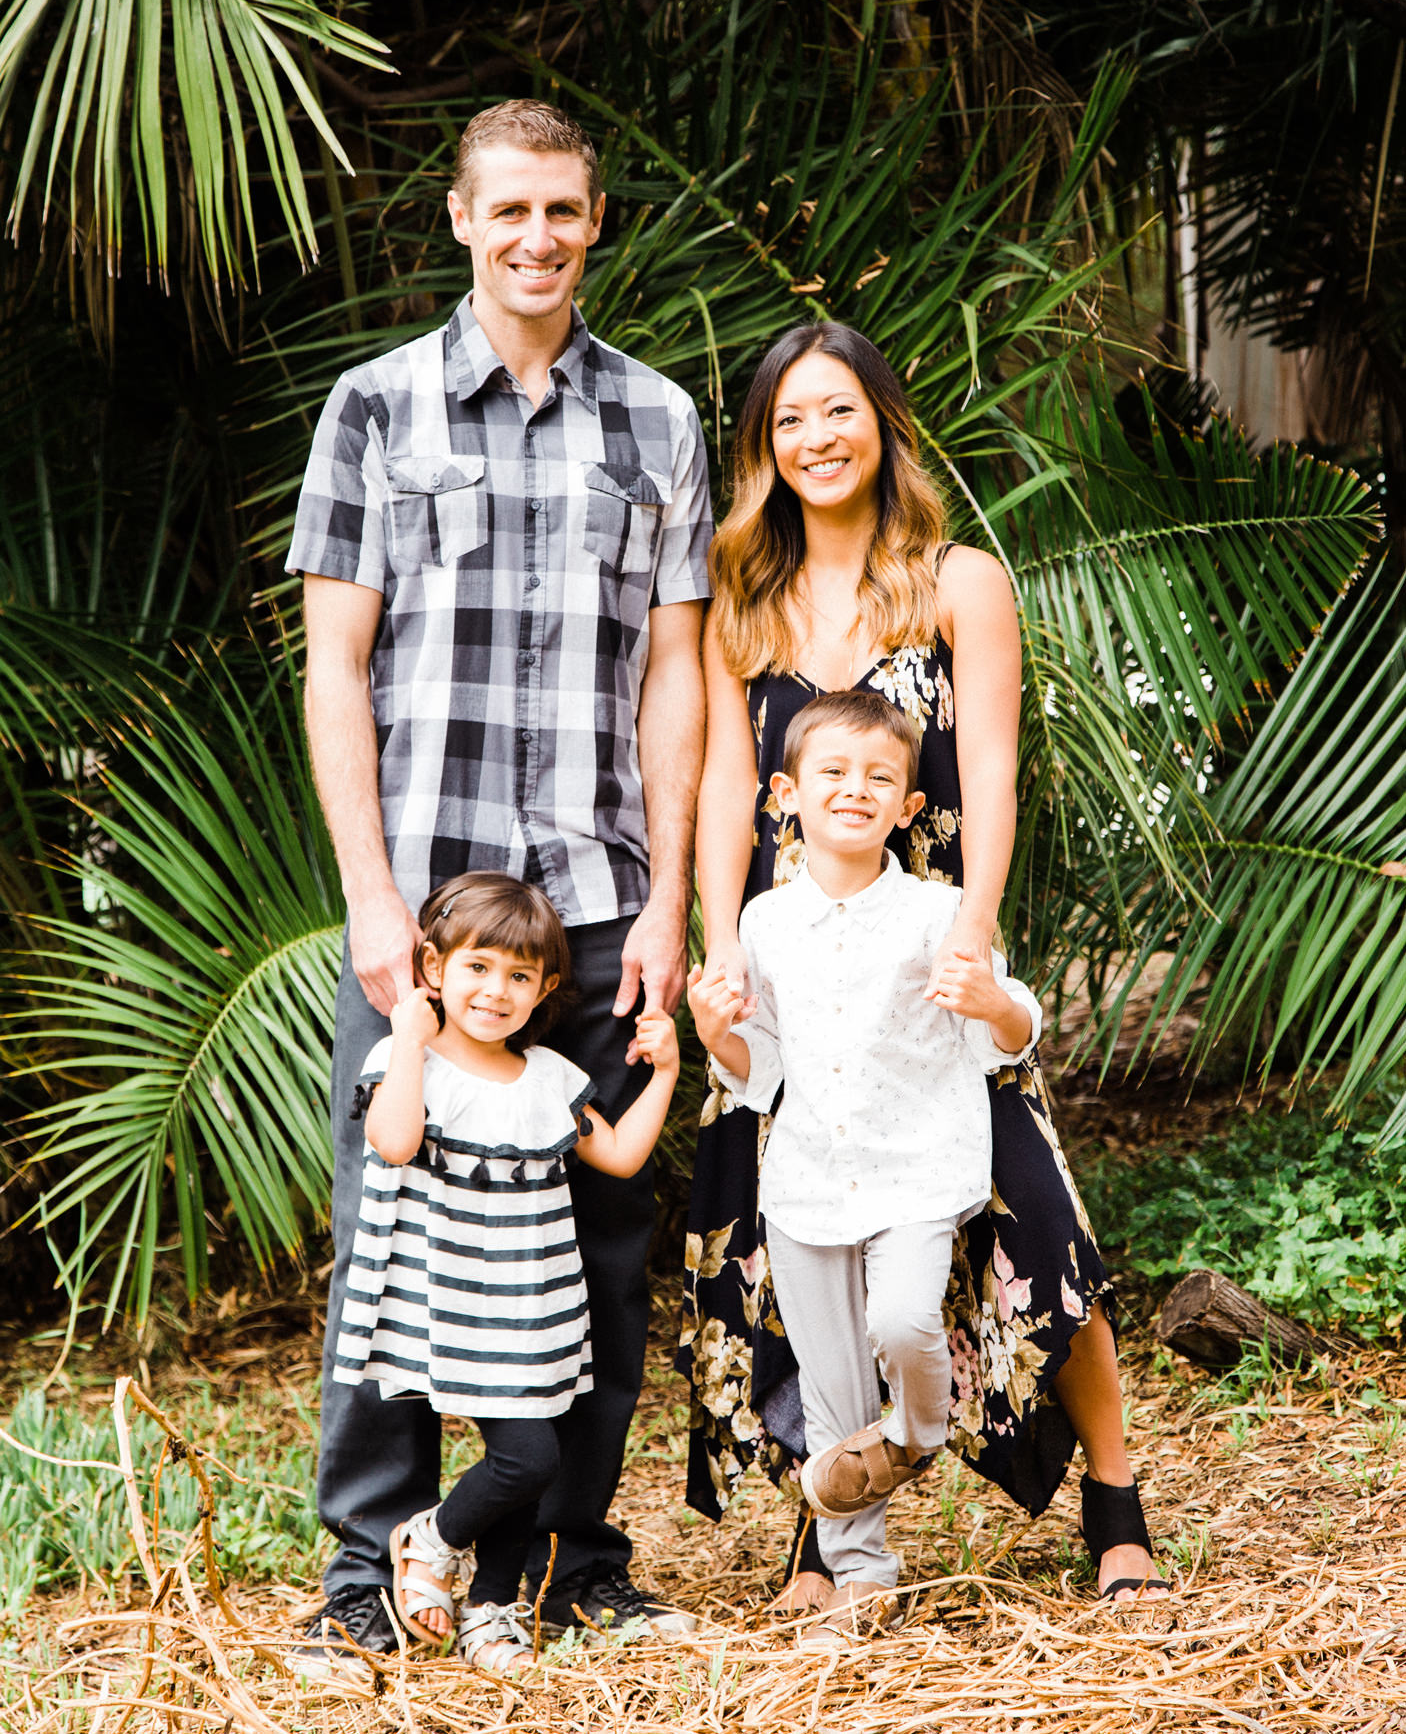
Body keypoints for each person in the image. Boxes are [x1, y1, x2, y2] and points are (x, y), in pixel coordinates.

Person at [288, 98, 712, 1661]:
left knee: (599, 1251)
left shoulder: (658, 419)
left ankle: (567, 1563)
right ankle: (363, 1577)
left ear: (595, 225)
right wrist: (368, 892)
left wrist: (667, 892)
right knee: (386, 1223)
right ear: (460, 221)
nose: (538, 235)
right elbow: (337, 667)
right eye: (509, 209)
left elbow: (674, 676)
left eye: (565, 211)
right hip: (430, 915)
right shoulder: (375, 406)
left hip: (597, 903)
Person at [679, 321, 1171, 1618]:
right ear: (762, 449)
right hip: (795, 961)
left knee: (1033, 1223)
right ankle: (827, 1514)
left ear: (883, 424)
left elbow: (995, 766)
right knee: (792, 1245)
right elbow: (726, 785)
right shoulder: (745, 598)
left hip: (927, 944)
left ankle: (1114, 1496)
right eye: (787, 421)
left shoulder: (959, 579)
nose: (815, 440)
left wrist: (978, 923)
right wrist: (714, 941)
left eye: (837, 411)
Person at [687, 691, 1043, 1638]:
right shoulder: (761, 924)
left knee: (900, 1318)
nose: (856, 790)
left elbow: (1009, 1037)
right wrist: (715, 1034)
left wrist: (993, 1000)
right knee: (832, 1386)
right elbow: (757, 1071)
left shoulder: (939, 911)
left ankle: (919, 1432)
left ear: (909, 807)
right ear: (786, 793)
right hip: (805, 1181)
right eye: (833, 774)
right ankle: (861, 1577)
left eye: (880, 778)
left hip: (919, 1168)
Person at [331, 871, 680, 1671]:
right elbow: (392, 1138)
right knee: (530, 1458)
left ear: (546, 988)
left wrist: (662, 1073)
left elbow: (621, 1155)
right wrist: (411, 1037)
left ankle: (492, 1609)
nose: (496, 990)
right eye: (477, 968)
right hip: (451, 1303)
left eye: (519, 976)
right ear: (433, 969)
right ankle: (436, 1535)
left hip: (533, 1303)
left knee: (535, 1451)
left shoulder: (550, 1078)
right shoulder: (406, 1057)